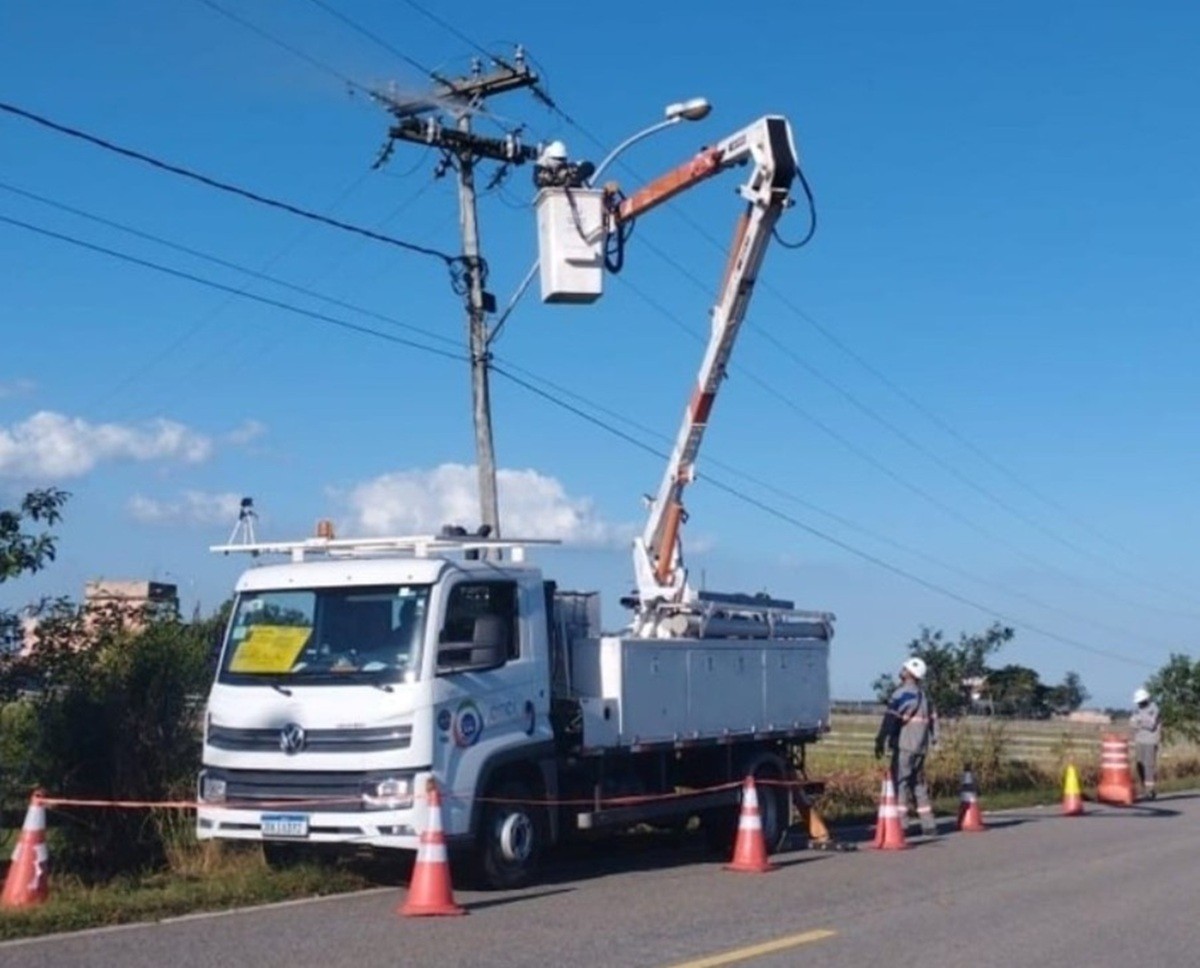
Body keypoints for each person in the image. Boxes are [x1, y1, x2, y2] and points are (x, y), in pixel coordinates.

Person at [875, 656, 938, 836]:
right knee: (918, 784)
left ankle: (901, 825)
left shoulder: (902, 694)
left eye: (904, 668)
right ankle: (929, 824)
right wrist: (935, 742)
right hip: (921, 747)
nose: (901, 670)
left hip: (905, 746)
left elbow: (890, 719)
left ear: (909, 673)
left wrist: (881, 740)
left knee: (899, 784)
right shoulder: (925, 697)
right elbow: (934, 723)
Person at [1130, 687, 1162, 801]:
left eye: (1141, 701)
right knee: (1139, 764)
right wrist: (1141, 722)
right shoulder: (1137, 709)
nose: (1140, 703)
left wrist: (1139, 722)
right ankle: (1144, 788)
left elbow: (1151, 725)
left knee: (1149, 765)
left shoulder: (1154, 708)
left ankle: (1150, 789)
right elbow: (1132, 723)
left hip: (1151, 740)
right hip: (1139, 740)